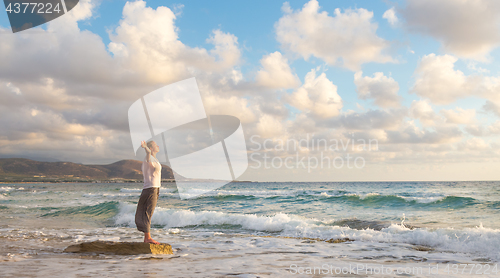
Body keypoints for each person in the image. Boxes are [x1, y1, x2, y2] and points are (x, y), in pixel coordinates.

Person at [135, 140, 162, 244]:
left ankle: (147, 237)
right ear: (151, 148)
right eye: (156, 145)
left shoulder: (154, 159)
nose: (158, 146)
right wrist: (145, 147)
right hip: (151, 189)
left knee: (148, 213)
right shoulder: (148, 158)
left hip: (154, 188)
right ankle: (148, 238)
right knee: (148, 213)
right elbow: (148, 153)